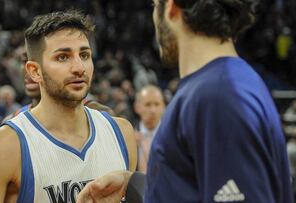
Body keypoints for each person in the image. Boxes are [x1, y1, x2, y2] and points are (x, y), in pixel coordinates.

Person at [77, 0, 294, 202]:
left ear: (171, 8)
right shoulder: (229, 81)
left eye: (154, 5)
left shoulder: (217, 96)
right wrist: (134, 183)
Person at [0, 10, 137, 203]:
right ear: (34, 71)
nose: (79, 67)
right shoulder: (2, 147)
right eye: (63, 57)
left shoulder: (122, 132)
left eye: (84, 55)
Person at [133, 85, 165, 173]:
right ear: (137, 107)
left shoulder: (172, 136)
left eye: (157, 104)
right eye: (148, 104)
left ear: (164, 107)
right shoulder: (128, 135)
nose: (153, 110)